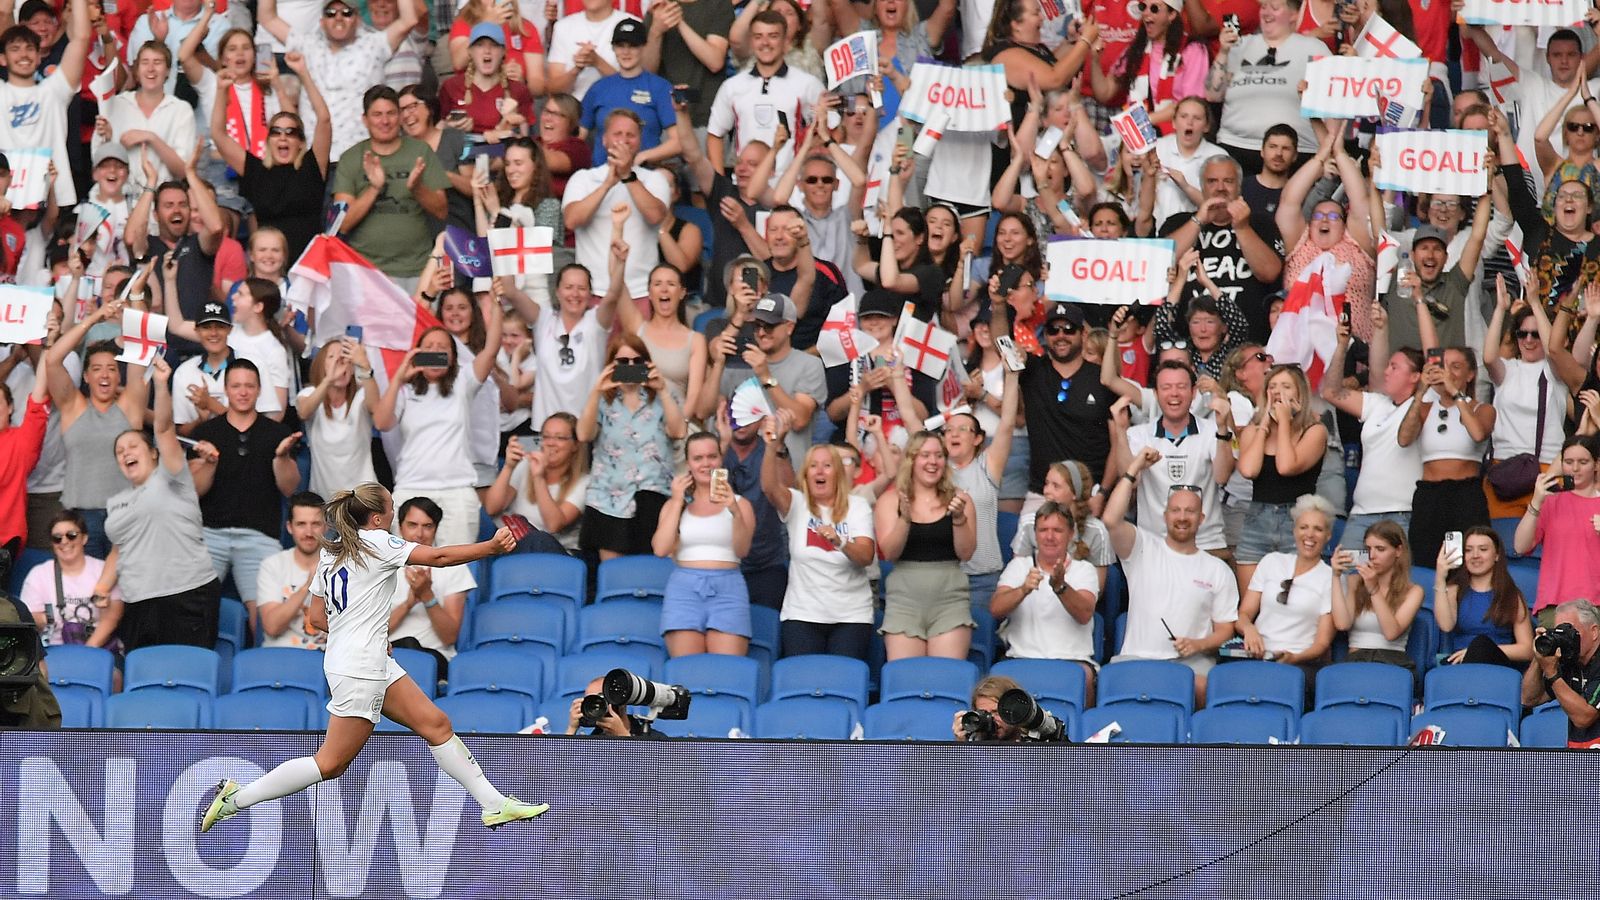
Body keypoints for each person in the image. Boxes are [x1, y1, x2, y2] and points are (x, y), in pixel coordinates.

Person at [199, 483, 547, 834]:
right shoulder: (378, 541)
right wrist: (490, 547)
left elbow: (315, 619)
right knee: (330, 763)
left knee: (436, 724)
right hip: (360, 667)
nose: (395, 514)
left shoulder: (330, 553)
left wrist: (362, 633)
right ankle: (236, 799)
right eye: (393, 508)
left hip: (360, 658)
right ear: (377, 518)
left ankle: (493, 804)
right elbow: (437, 558)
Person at [96, 357, 222, 652]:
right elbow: (120, 547)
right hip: (138, 600)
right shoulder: (117, 501)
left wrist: (161, 384)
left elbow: (164, 429)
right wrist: (102, 587)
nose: (125, 452)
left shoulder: (172, 476)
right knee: (144, 683)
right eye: (119, 451)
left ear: (154, 455)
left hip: (187, 594)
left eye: (133, 446)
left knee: (186, 679)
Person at [1106, 448, 1239, 702]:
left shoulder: (1217, 569)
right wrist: (1135, 467)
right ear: (1165, 516)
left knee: (1204, 688)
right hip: (1137, 659)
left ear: (1201, 518)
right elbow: (1111, 519)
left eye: (1190, 512)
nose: (1182, 517)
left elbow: (1225, 630)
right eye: (1176, 510)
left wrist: (1196, 644)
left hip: (1191, 664)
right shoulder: (1142, 547)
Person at [373, 302, 504, 549]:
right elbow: (381, 421)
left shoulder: (463, 381)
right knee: (406, 571)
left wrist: (496, 305)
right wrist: (398, 379)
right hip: (410, 487)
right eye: (429, 348)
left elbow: (490, 351)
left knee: (454, 570)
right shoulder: (405, 390)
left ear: (453, 356)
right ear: (417, 353)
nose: (435, 352)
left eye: (442, 348)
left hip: (456, 490)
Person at [190, 360, 302, 618]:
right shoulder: (206, 432)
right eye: (236, 386)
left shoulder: (278, 433)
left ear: (259, 390)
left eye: (249, 386)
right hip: (210, 534)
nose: (243, 392)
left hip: (259, 536)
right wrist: (208, 463)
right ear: (226, 390)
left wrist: (282, 457)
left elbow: (289, 488)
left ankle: (261, 660)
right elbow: (194, 491)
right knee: (194, 609)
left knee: (266, 616)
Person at [42, 299, 151, 557]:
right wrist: (94, 319)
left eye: (112, 369)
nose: (104, 375)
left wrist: (136, 299)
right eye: (97, 369)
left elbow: (141, 347)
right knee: (84, 594)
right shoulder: (73, 407)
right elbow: (53, 360)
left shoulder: (129, 407)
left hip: (125, 516)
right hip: (79, 520)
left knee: (126, 594)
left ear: (119, 376)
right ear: (86, 376)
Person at [256, 0, 418, 165]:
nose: (338, 18)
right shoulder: (307, 45)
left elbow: (409, 19)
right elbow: (267, 18)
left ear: (357, 18)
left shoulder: (374, 44)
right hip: (315, 157)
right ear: (322, 21)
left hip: (362, 157)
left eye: (346, 12)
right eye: (331, 13)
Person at [1322, 301, 1423, 551]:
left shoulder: (1426, 405)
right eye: (1388, 366)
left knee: (1394, 587)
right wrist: (1343, 346)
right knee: (1349, 579)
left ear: (1416, 376)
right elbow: (1331, 392)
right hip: (1361, 516)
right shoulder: (1377, 404)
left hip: (1401, 516)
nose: (1386, 372)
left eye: (1395, 367)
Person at [764, 438, 876, 661]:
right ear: (806, 474)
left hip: (851, 616)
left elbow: (865, 556)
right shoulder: (797, 503)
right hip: (802, 614)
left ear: (838, 473)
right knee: (802, 684)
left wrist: (841, 542)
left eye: (827, 465)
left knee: (843, 686)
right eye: (813, 466)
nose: (819, 471)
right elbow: (769, 487)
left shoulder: (857, 506)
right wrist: (771, 445)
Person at [577, 334, 688, 560]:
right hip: (608, 499)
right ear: (611, 364)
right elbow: (583, 434)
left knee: (652, 571)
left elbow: (678, 432)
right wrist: (596, 391)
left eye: (637, 361)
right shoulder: (601, 398)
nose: (630, 366)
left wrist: (663, 390)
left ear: (646, 363)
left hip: (653, 494)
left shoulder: (664, 394)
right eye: (622, 362)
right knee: (613, 576)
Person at [1111, 360, 1235, 557]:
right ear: (1156, 394)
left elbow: (1222, 476)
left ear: (1193, 393)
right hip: (1154, 545)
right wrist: (1120, 429)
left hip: (1206, 542)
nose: (1174, 394)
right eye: (1166, 387)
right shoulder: (1138, 434)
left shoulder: (1212, 429)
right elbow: (1130, 482)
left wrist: (1222, 429)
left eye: (1181, 387)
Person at [331, 85, 450, 290]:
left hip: (417, 269)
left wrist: (417, 188)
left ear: (399, 116)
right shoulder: (351, 158)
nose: (385, 121)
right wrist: (374, 188)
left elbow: (442, 210)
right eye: (377, 114)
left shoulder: (420, 151)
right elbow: (342, 224)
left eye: (391, 113)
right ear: (365, 119)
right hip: (366, 271)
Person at [873, 431, 977, 661]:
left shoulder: (960, 499)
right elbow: (890, 552)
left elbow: (967, 553)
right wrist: (905, 519)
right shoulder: (890, 500)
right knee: (906, 679)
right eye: (925, 455)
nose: (933, 462)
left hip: (949, 598)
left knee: (946, 680)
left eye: (939, 456)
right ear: (911, 460)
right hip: (904, 600)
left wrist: (959, 518)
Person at [652, 431, 756, 656]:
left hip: (728, 587)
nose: (706, 463)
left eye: (712, 457)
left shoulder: (741, 504)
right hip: (684, 588)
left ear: (721, 459)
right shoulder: (675, 505)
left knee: (726, 672)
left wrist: (735, 511)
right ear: (688, 463)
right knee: (687, 673)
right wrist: (677, 500)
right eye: (698, 458)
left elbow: (742, 550)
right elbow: (660, 549)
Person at [1235, 364, 1327, 592]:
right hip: (1257, 518)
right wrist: (1264, 424)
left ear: (1300, 393)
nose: (1278, 392)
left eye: (1286, 386)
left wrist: (1285, 421)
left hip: (1296, 521)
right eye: (1273, 386)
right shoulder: (1252, 431)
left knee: (1291, 599)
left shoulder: (1315, 431)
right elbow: (1248, 470)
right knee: (1250, 602)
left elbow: (1286, 466)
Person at [562, 109, 671, 301]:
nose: (624, 140)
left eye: (631, 135)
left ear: (639, 142)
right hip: (593, 291)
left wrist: (627, 175)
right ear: (604, 140)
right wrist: (607, 185)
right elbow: (572, 220)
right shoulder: (584, 178)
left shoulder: (654, 179)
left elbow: (655, 216)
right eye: (617, 134)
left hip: (641, 292)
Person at [992, 501, 1099, 693]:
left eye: (1057, 530)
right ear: (1035, 534)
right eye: (1043, 530)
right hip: (1020, 658)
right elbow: (995, 609)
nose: (1049, 537)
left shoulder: (1084, 569)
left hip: (1072, 661)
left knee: (1085, 677)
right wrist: (1023, 589)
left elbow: (1084, 614)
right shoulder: (1019, 566)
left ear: (1071, 534)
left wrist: (1061, 587)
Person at [705, 293, 825, 465]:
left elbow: (799, 420)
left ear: (789, 327)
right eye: (756, 326)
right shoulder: (742, 362)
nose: (761, 333)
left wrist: (766, 377)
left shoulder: (809, 365)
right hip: (740, 477)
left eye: (769, 326)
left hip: (787, 476)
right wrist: (717, 364)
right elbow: (704, 411)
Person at [1234, 494, 1335, 696]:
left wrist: (1294, 658)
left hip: (1299, 663)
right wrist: (1249, 629)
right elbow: (1243, 614)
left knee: (1279, 683)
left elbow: (1322, 644)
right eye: (1304, 527)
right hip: (1257, 654)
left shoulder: (1330, 577)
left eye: (1318, 529)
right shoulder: (1272, 561)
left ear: (1328, 536)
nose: (1310, 535)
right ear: (1294, 530)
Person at [1206, 0, 1324, 165]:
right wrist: (1224, 52)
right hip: (1235, 146)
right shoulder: (1239, 45)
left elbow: (1330, 104)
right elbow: (1213, 95)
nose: (1266, 12)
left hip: (1296, 152)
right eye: (1263, 7)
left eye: (1275, 8)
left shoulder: (1314, 48)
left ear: (1293, 15)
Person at [1483, 279, 1564, 519]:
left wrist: (1535, 304)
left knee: (1544, 547)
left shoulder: (1555, 369)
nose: (1528, 340)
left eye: (1536, 334)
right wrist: (1500, 310)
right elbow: (1488, 358)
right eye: (1522, 333)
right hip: (1505, 469)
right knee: (1505, 546)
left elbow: (1554, 350)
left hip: (1547, 468)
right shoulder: (1508, 369)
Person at [1019, 302, 1117, 492]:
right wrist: (998, 305)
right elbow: (1002, 344)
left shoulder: (1104, 379)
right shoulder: (1033, 371)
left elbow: (1118, 441)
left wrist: (1103, 492)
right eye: (1053, 330)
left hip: (1090, 494)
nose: (1061, 336)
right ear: (1045, 335)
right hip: (1043, 493)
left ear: (1084, 334)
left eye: (1069, 329)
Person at [0, 0, 90, 206]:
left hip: (56, 197)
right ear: (3, 59)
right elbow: (3, 12)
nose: (23, 54)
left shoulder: (54, 91)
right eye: (15, 49)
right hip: (7, 200)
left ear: (38, 56)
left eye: (30, 48)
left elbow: (82, 38)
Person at [1514, 436, 1600, 627]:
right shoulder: (1550, 502)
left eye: (1583, 462)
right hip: (1556, 604)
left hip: (1596, 605)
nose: (1575, 469)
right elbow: (1520, 546)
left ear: (1596, 464)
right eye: (1568, 462)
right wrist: (1536, 502)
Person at [387, 496, 476, 667]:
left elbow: (449, 636)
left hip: (433, 658)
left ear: (436, 529)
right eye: (412, 525)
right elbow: (372, 632)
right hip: (388, 654)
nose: (419, 534)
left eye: (427, 526)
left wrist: (427, 595)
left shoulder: (454, 568)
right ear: (400, 527)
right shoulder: (383, 568)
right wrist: (408, 604)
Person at [483, 412, 590, 554]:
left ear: (575, 445)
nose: (551, 443)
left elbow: (554, 525)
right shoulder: (526, 464)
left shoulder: (584, 481)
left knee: (538, 539)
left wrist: (538, 478)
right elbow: (491, 508)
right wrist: (509, 467)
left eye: (560, 438)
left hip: (556, 555)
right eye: (546, 436)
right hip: (515, 546)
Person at [20, 509, 123, 651]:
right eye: (57, 538)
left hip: (100, 650)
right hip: (55, 650)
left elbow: (113, 617)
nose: (64, 542)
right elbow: (29, 617)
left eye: (71, 535)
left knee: (113, 673)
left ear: (84, 538)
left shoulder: (104, 570)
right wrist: (43, 620)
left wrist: (87, 652)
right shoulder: (38, 574)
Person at [578, 20, 677, 168]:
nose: (626, 52)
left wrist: (643, 157)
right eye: (620, 46)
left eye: (633, 46)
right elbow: (579, 137)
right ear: (613, 48)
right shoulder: (598, 88)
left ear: (644, 47)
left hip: (645, 174)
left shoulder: (660, 87)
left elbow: (678, 142)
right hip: (602, 175)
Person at [1434, 525, 1533, 668]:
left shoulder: (1511, 594)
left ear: (1497, 555)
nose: (1475, 555)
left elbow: (1526, 649)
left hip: (1497, 665)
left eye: (1483, 549)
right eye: (1468, 550)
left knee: (1481, 644)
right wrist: (1440, 577)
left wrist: (1478, 651)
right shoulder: (1453, 590)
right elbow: (1445, 625)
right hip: (1460, 666)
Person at [1329, 520, 1424, 669]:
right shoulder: (1354, 581)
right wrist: (1336, 576)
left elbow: (1391, 633)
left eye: (1380, 549)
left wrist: (1374, 590)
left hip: (1392, 662)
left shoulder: (1414, 591)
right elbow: (1342, 624)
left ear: (1398, 551)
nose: (1372, 556)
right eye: (1368, 549)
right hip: (1356, 660)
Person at [295, 336, 380, 500]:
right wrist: (328, 379)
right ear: (321, 364)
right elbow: (304, 412)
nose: (340, 362)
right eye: (332, 357)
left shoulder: (361, 396)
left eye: (345, 358)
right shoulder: (309, 394)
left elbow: (375, 408)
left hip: (362, 502)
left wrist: (365, 366)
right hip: (325, 502)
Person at [641, 0, 733, 135]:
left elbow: (715, 62)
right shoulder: (660, 6)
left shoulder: (718, 4)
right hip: (665, 120)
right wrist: (656, 30)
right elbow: (646, 72)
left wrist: (680, 23)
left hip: (706, 119)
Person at [1519, 599, 1600, 749]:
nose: (1565, 638)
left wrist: (1552, 672)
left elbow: (1584, 717)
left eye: (1570, 631)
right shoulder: (1568, 660)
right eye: (1559, 632)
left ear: (1594, 631)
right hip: (1578, 753)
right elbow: (1529, 698)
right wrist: (1540, 656)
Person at [256, 492, 328, 650]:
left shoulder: (340, 566)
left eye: (315, 524)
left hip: (325, 660)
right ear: (289, 527)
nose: (309, 533)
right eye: (301, 524)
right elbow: (272, 626)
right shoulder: (273, 565)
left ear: (325, 526)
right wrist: (308, 585)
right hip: (280, 657)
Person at [0, 360, 47, 566]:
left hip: (3, 543)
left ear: (10, 407)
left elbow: (38, 401)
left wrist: (48, 346)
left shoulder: (21, 442)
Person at [949, 674, 1024, 742]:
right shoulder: (974, 742)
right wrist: (961, 743)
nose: (990, 718)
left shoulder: (1031, 741)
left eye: (996, 712)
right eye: (983, 713)